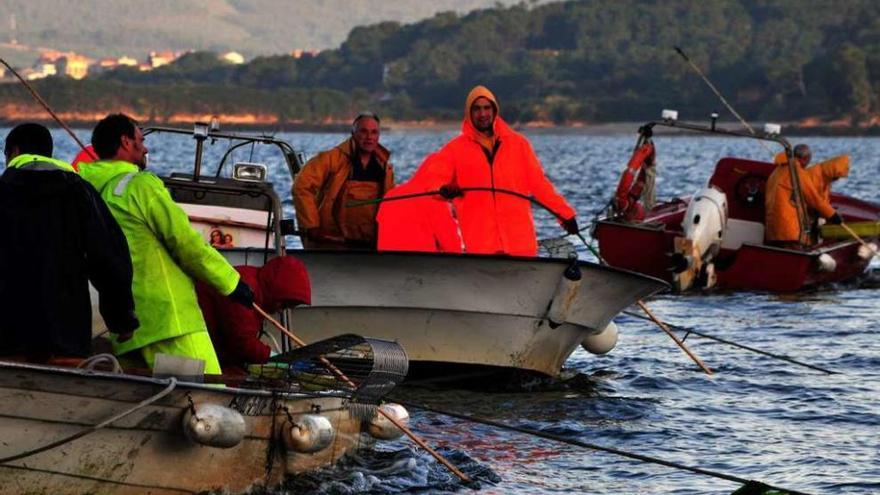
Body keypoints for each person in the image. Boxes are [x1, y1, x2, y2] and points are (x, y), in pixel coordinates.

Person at [79, 113, 254, 375]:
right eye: (141, 139)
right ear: (126, 142)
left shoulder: (86, 193)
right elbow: (185, 242)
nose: (146, 147)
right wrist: (231, 282)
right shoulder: (140, 186)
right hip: (169, 323)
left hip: (125, 329)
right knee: (209, 399)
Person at [0, 123, 139, 361]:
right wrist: (121, 319)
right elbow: (109, 257)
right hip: (66, 335)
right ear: (49, 153)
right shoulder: (80, 192)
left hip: (6, 336)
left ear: (13, 152)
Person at [407, 85, 578, 256]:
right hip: (481, 248)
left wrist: (565, 215)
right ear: (469, 113)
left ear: (495, 109)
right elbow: (432, 183)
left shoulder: (519, 145)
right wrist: (444, 191)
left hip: (520, 245)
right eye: (477, 109)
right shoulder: (453, 150)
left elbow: (540, 185)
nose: (482, 114)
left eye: (486, 108)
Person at [293, 112, 394, 249]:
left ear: (379, 136)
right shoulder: (330, 159)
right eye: (363, 131)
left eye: (374, 132)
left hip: (370, 244)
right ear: (353, 133)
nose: (369, 137)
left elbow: (391, 202)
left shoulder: (385, 168)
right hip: (334, 242)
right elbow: (301, 186)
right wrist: (311, 226)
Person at [195, 256, 311, 370]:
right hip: (198, 353)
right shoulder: (247, 289)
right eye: (283, 304)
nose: (281, 311)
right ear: (277, 290)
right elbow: (242, 342)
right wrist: (279, 360)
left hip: (212, 350)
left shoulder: (257, 287)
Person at [377, 156, 463, 253]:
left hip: (385, 263)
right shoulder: (435, 200)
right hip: (420, 265)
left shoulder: (390, 195)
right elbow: (453, 247)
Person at [765, 144, 844, 248]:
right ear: (805, 158)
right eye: (809, 160)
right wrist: (833, 216)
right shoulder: (798, 174)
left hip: (772, 230)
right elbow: (815, 200)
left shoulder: (775, 172)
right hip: (789, 232)